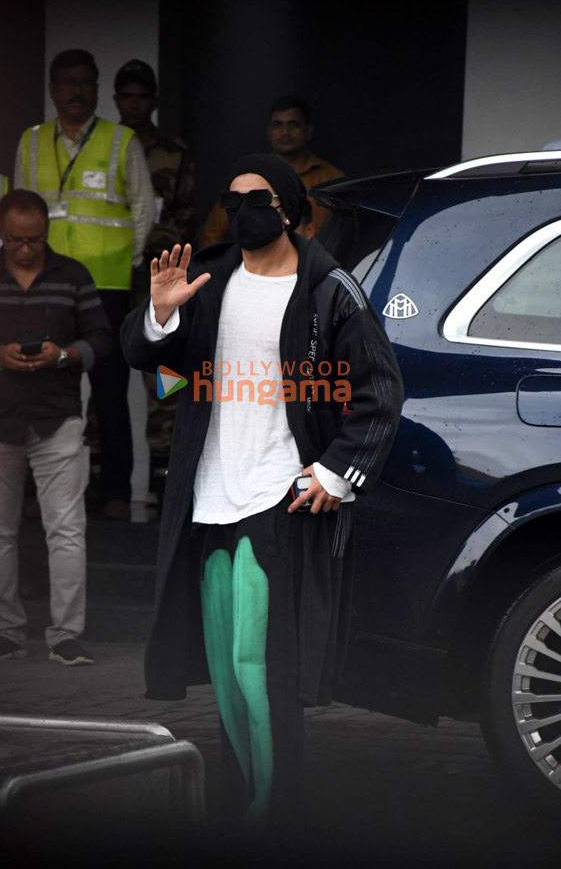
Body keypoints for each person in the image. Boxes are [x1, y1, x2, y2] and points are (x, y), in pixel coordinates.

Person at [121, 154, 403, 827]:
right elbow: (148, 360)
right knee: (225, 672)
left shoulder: (328, 288)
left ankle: (277, 816)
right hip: (208, 498)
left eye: (259, 199)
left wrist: (336, 472)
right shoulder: (209, 279)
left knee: (259, 668)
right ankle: (237, 806)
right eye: (233, 198)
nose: (243, 208)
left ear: (291, 209)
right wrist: (159, 317)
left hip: (276, 498)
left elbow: (379, 391)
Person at [14, 48, 155, 521]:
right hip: (45, 285)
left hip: (107, 287)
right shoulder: (31, 142)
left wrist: (128, 258)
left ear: (97, 90)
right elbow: (18, 209)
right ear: (52, 90)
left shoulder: (121, 140)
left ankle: (115, 490)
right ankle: (39, 492)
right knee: (44, 387)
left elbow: (143, 208)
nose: (75, 91)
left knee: (110, 389)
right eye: (66, 83)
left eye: (84, 83)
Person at [0, 189, 112, 666]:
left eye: (34, 239)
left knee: (67, 530)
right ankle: (5, 631)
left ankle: (65, 635)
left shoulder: (73, 274)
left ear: (47, 233)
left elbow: (102, 339)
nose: (24, 248)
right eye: (16, 239)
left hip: (58, 413)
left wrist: (65, 354)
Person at [114, 58, 196, 503]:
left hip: (157, 275)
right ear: (115, 100)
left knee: (166, 371)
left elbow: (186, 214)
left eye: (141, 95)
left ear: (154, 100)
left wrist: (153, 252)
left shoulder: (174, 152)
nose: (133, 103)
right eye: (126, 95)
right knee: (107, 373)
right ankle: (102, 473)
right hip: (111, 276)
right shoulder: (108, 147)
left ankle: (167, 469)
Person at [198, 95, 343, 247]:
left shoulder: (332, 178)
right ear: (268, 131)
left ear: (308, 130)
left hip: (317, 266)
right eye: (277, 125)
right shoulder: (249, 179)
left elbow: (346, 238)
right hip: (254, 263)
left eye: (293, 124)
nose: (285, 132)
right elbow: (211, 236)